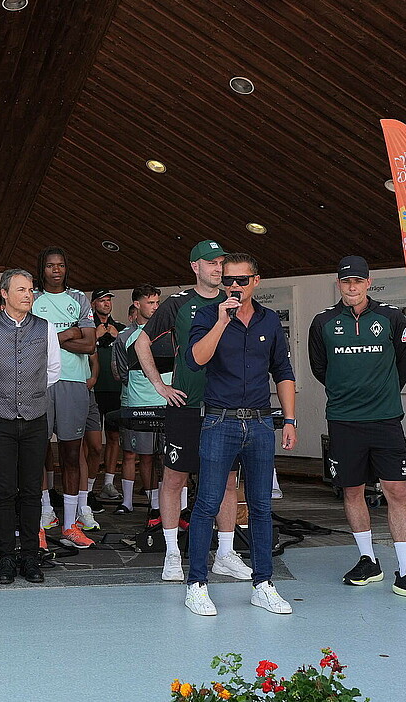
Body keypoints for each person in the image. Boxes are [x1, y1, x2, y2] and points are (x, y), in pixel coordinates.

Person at [309, 255, 406, 602]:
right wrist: (350, 393)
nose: (351, 287)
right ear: (338, 284)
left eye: (357, 281)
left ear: (368, 283)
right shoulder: (323, 321)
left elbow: (404, 366)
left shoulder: (392, 318)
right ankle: (368, 561)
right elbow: (320, 368)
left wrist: (378, 394)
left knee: (396, 490)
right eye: (345, 282)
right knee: (352, 491)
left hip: (384, 419)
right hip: (343, 420)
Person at [183, 253, 297, 616]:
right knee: (207, 504)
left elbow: (283, 370)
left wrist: (290, 419)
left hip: (262, 422)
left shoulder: (269, 321)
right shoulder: (207, 315)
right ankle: (197, 584)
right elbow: (195, 360)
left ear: (256, 281)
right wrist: (221, 321)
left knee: (261, 506)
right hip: (220, 420)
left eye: (241, 281)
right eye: (227, 280)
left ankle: (263, 583)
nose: (233, 286)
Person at [134, 240, 246, 582]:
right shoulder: (178, 303)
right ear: (195, 266)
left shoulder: (237, 301)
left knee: (227, 480)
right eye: (211, 263)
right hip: (187, 405)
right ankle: (171, 553)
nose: (218, 268)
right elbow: (141, 342)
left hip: (225, 407)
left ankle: (225, 553)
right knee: (174, 478)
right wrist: (160, 386)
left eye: (221, 263)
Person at [0, 269, 60, 584]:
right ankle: (6, 558)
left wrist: (29, 394)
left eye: (30, 289)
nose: (28, 294)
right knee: (4, 491)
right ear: (4, 294)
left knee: (32, 490)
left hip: (35, 419)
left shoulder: (45, 328)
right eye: (21, 289)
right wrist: (5, 395)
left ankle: (31, 558)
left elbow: (54, 370)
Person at [31, 247, 96, 548]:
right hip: (40, 384)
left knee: (71, 454)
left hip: (73, 382)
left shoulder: (79, 298)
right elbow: (31, 344)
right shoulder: (32, 299)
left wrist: (54, 341)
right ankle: (42, 520)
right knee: (36, 454)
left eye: (60, 265)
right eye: (49, 266)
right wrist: (69, 334)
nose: (55, 270)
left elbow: (91, 344)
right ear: (41, 269)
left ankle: (70, 524)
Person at [116, 285, 165, 515]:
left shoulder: (169, 331)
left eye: (157, 302)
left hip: (168, 402)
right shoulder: (125, 336)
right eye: (150, 302)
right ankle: (153, 506)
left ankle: (177, 507)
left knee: (169, 457)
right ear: (137, 304)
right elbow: (119, 372)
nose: (155, 307)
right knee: (144, 456)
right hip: (138, 403)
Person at [90, 290, 124, 503]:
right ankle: (88, 487)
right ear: (94, 304)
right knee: (91, 442)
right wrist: (95, 335)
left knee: (113, 437)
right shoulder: (86, 327)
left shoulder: (118, 328)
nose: (106, 304)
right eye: (102, 300)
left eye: (109, 300)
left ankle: (108, 483)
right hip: (93, 388)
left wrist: (116, 336)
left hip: (115, 388)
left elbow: (130, 351)